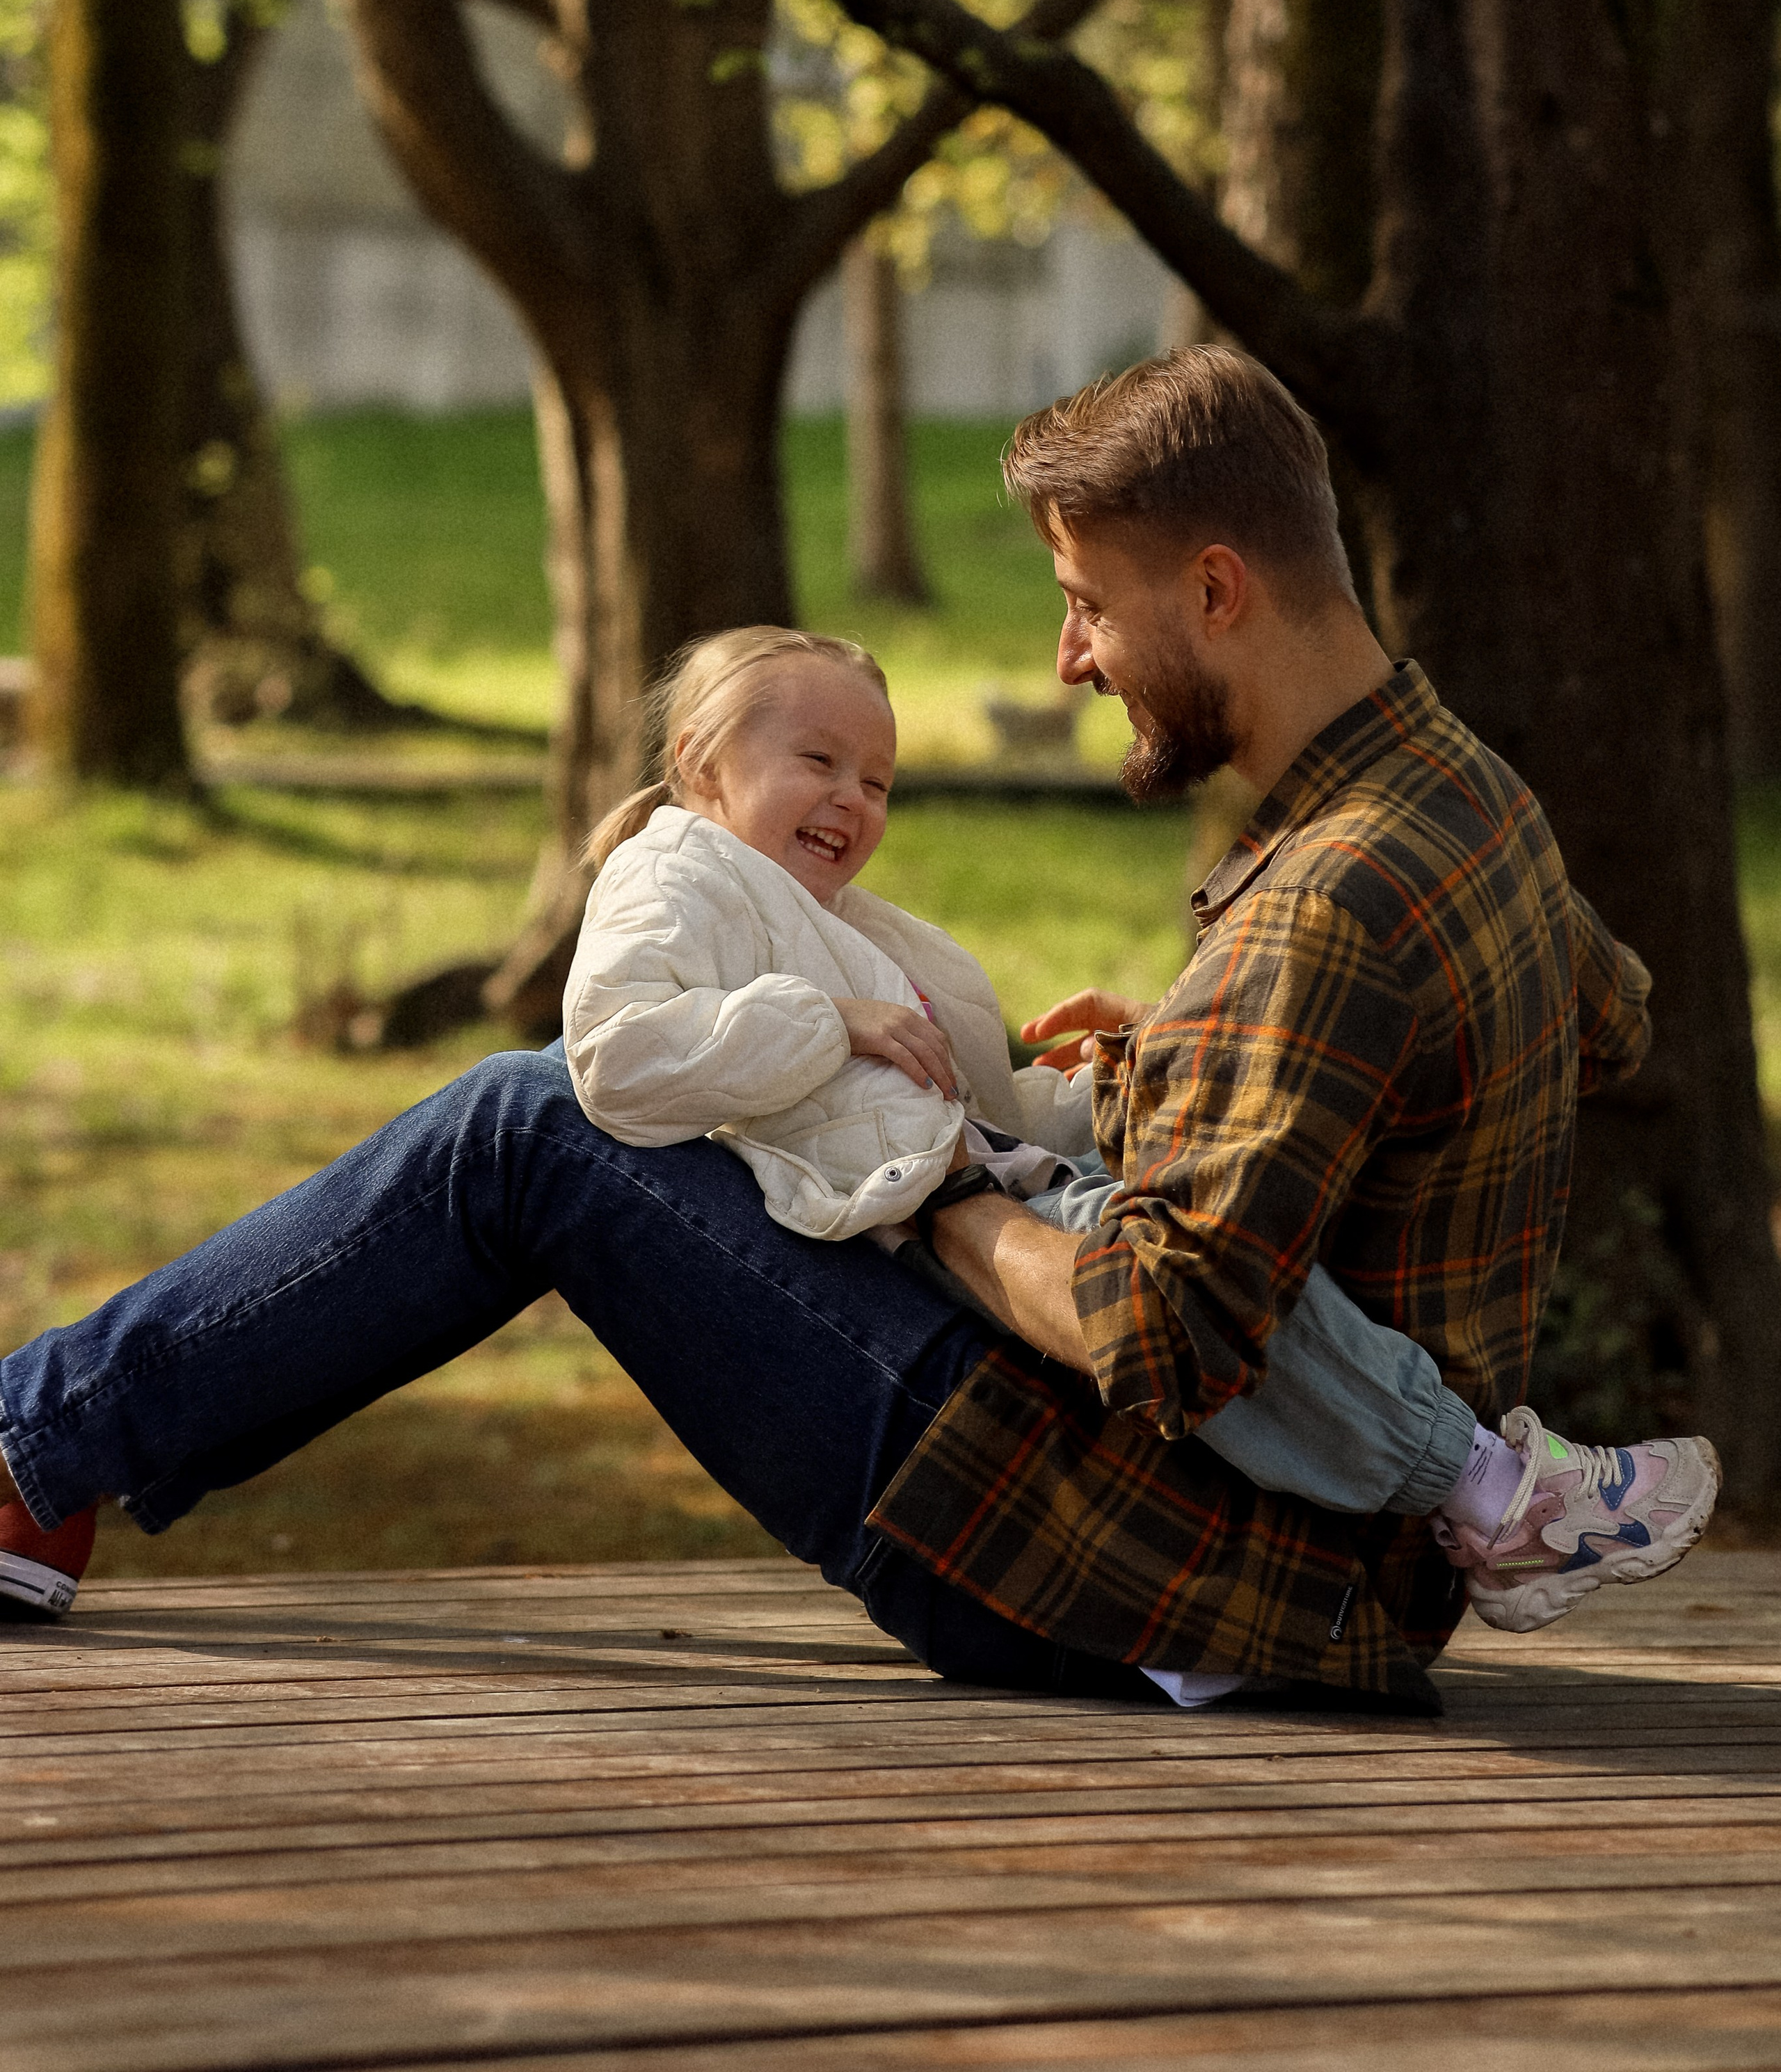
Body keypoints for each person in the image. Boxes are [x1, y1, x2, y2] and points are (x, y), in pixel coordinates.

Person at [0, 351, 1720, 1714]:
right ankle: (42, 1446)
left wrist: (935, 1183)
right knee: (552, 1110)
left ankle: (29, 1453)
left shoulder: (1323, 905)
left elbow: (1160, 1334)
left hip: (1153, 1570)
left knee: (528, 1127)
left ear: (1214, 589)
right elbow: (1603, 1020)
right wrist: (1197, 1059)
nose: (1067, 659)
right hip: (1323, 1557)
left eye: (1085, 603)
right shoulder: (1468, 800)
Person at [561, 618, 1700, 1678]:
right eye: (818, 761)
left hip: (981, 1173)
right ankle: (1493, 1492)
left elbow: (986, 1106)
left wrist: (1132, 1073)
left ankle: (1476, 1492)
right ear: (701, 760)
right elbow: (613, 1059)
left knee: (1225, 1257)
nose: (851, 800)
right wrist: (828, 1020)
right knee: (1201, 1289)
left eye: (878, 782)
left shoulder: (849, 923)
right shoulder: (673, 873)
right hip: (903, 1211)